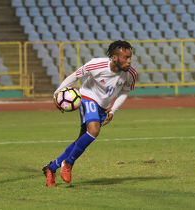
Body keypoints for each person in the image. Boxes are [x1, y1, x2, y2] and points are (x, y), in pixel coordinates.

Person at [42, 40, 137, 186]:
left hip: (103, 107)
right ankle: (68, 163)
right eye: (126, 58)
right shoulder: (96, 65)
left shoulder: (131, 74)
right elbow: (74, 76)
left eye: (130, 57)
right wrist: (57, 93)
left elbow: (125, 91)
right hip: (87, 97)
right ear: (114, 57)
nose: (129, 61)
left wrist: (113, 109)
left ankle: (52, 167)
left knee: (81, 140)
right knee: (94, 130)